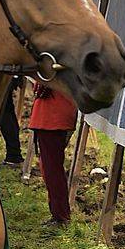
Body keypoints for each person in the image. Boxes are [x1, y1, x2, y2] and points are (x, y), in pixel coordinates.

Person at [28, 78, 79, 226]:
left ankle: (60, 216)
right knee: (50, 168)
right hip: (53, 117)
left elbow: (43, 83)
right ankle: (59, 214)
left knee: (52, 170)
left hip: (52, 118)